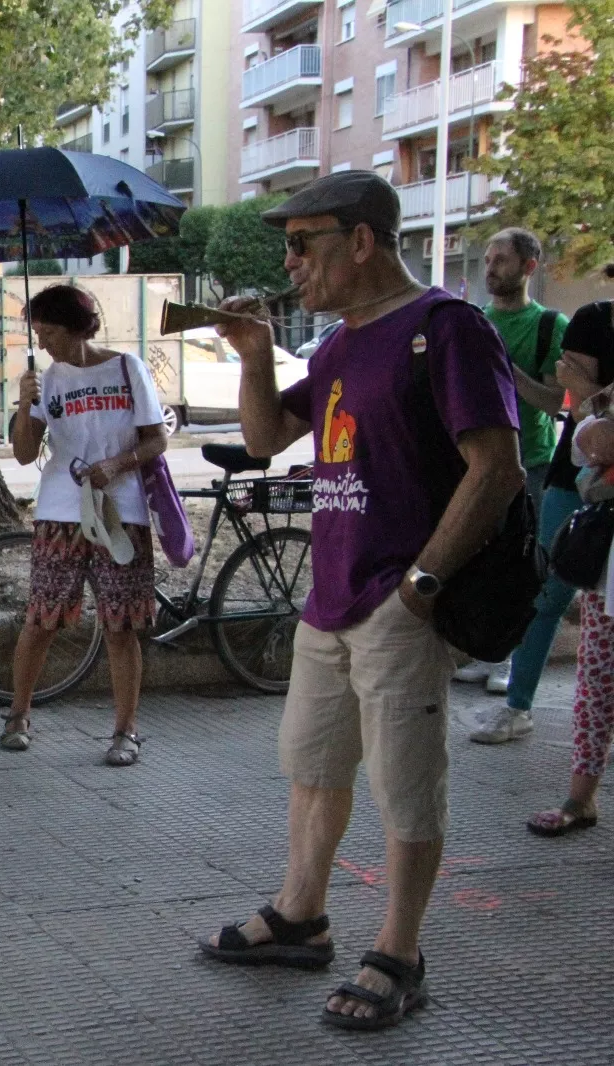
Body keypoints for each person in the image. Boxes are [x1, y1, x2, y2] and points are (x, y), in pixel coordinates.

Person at [199, 171, 521, 1031]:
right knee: (312, 768)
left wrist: (421, 585)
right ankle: (300, 914)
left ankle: (399, 953)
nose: (290, 262)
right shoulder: (339, 346)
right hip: (330, 598)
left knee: (406, 787)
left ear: (363, 240)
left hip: (397, 603)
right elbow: (266, 438)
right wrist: (255, 355)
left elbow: (497, 468)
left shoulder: (445, 329)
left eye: (302, 243)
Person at [4, 285, 168, 760]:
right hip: (61, 509)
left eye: (50, 332)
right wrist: (24, 405)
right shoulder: (46, 380)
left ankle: (125, 731)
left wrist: (117, 465)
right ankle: (17, 715)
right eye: (37, 333)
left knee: (121, 623)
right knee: (42, 617)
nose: (43, 343)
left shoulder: (127, 369)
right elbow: (23, 454)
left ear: (78, 328)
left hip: (121, 512)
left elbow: (156, 439)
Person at [454, 228, 570, 718]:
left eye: (501, 259)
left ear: (529, 267)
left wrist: (505, 366)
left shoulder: (548, 326)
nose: (491, 268)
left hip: (533, 461)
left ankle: (512, 660)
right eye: (487, 259)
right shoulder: (474, 321)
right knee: (482, 558)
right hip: (475, 460)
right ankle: (490, 651)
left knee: (524, 563)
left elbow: (554, 401)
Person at [526, 296, 614, 837]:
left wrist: (587, 397)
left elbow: (597, 436)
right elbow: (587, 447)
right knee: (594, 685)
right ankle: (580, 799)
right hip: (608, 571)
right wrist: (590, 405)